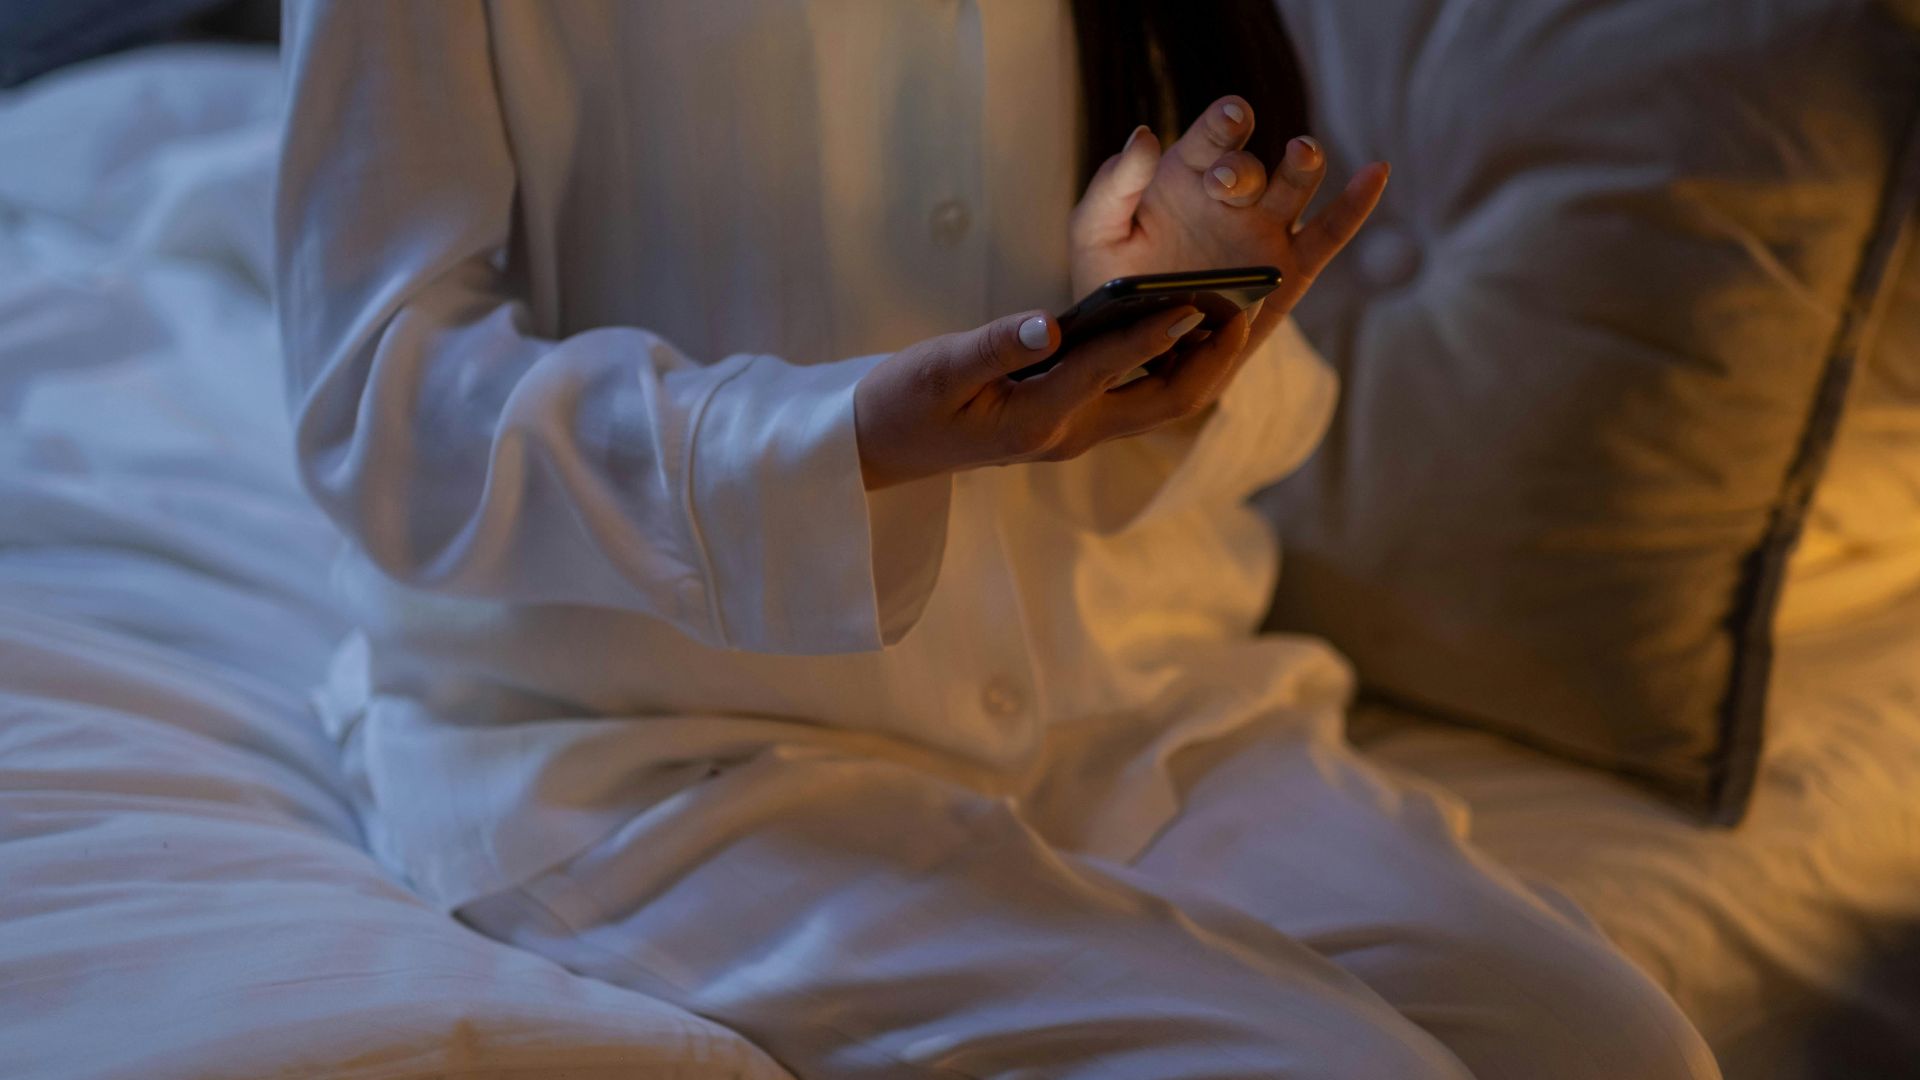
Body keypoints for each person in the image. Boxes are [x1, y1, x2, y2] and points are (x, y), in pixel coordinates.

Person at [276, 3, 1722, 1077]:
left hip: (1121, 693)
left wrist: (1174, 339)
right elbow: (375, 403)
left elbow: (1194, 341)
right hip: (658, 751)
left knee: (1621, 1047)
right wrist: (842, 442)